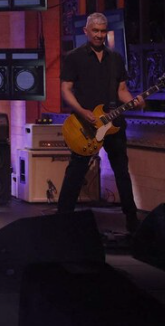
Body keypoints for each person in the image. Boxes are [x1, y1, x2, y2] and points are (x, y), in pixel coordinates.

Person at [58, 12, 143, 233]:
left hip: (113, 124)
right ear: (86, 31)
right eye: (95, 30)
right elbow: (66, 89)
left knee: (121, 172)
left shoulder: (115, 58)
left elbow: (122, 90)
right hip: (85, 124)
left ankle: (132, 221)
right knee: (75, 173)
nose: (99, 35)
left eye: (103, 31)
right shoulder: (74, 57)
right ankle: (61, 221)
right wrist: (81, 111)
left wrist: (134, 101)